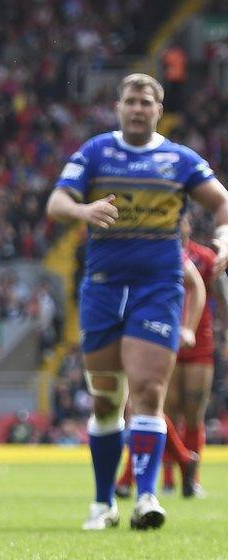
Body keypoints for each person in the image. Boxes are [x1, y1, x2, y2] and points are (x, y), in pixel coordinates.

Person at [45, 73, 228, 531]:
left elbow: (222, 202)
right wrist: (83, 211)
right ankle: (103, 502)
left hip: (158, 286)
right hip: (104, 286)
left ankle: (147, 497)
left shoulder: (180, 160)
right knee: (106, 399)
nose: (137, 108)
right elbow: (57, 202)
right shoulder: (95, 152)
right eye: (130, 101)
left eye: (146, 102)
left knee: (148, 391)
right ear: (118, 107)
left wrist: (224, 236)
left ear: (158, 110)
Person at [114, 251, 204, 498]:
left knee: (144, 406)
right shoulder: (128, 244)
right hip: (137, 326)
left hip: (164, 332)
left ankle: (137, 485)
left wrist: (190, 328)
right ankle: (181, 464)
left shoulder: (170, 247)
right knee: (145, 408)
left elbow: (200, 286)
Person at [163, 212, 223, 496]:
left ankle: (192, 479)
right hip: (166, 340)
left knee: (193, 412)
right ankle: (167, 480)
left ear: (188, 224)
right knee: (167, 411)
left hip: (200, 343)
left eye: (181, 220)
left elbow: (220, 296)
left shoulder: (205, 257)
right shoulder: (158, 256)